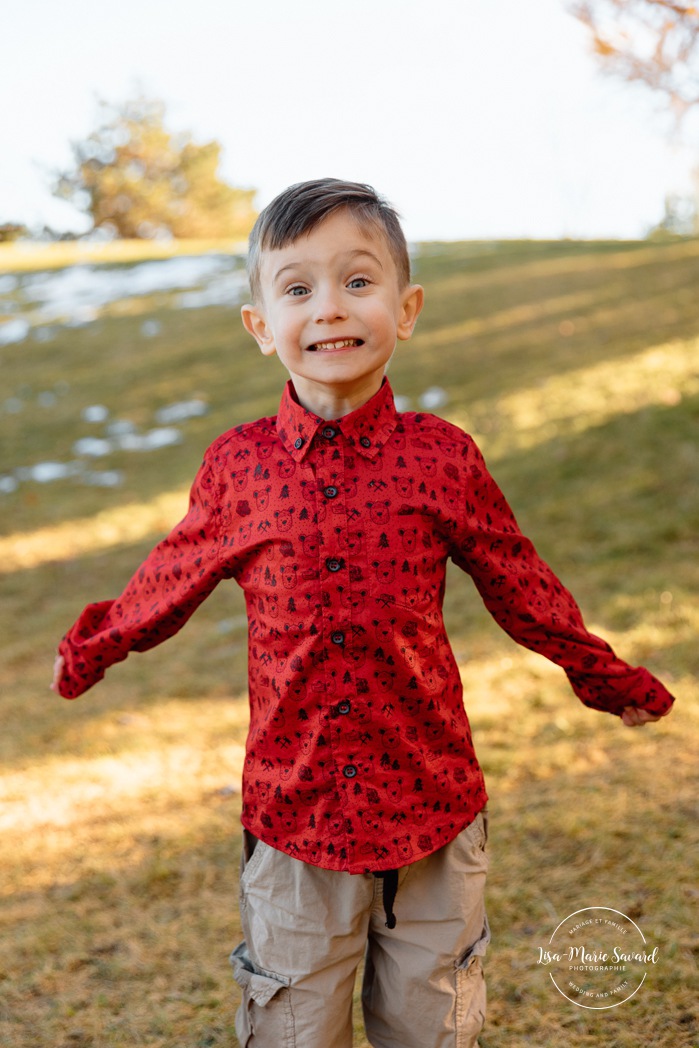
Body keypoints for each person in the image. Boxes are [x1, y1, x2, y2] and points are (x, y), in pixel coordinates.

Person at [52, 178, 674, 1048]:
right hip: (296, 818)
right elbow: (172, 574)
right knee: (295, 1029)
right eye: (297, 288)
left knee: (432, 1026)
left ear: (405, 308)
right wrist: (90, 650)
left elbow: (519, 580)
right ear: (261, 326)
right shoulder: (239, 469)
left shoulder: (441, 459)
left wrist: (605, 678)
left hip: (432, 805)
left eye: (357, 281)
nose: (329, 308)